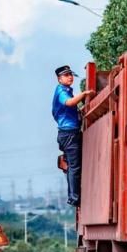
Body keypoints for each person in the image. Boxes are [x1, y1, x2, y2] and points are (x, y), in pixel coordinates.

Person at [51, 65, 95, 206]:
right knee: (74, 167)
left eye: (71, 74)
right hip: (68, 134)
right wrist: (84, 94)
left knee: (74, 166)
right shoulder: (61, 91)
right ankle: (74, 198)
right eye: (66, 75)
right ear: (59, 78)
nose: (70, 77)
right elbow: (69, 103)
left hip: (69, 133)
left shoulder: (67, 90)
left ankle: (74, 196)